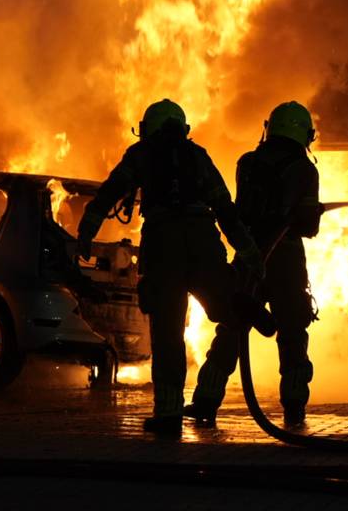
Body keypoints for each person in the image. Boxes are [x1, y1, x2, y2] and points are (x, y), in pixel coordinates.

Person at [77, 99, 262, 436]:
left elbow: (108, 194)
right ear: (181, 127)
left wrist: (86, 232)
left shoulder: (142, 154)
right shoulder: (198, 156)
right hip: (203, 238)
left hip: (163, 245)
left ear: (149, 129)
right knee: (224, 307)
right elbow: (224, 208)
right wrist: (249, 252)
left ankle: (169, 413)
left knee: (168, 330)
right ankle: (237, 302)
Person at [187, 101, 322, 428]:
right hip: (286, 261)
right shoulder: (305, 170)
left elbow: (241, 214)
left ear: (271, 127)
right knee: (292, 331)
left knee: (232, 327)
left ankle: (206, 400)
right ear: (304, 133)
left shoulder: (247, 163)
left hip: (248, 257)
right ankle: (293, 408)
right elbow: (308, 228)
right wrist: (307, 213)